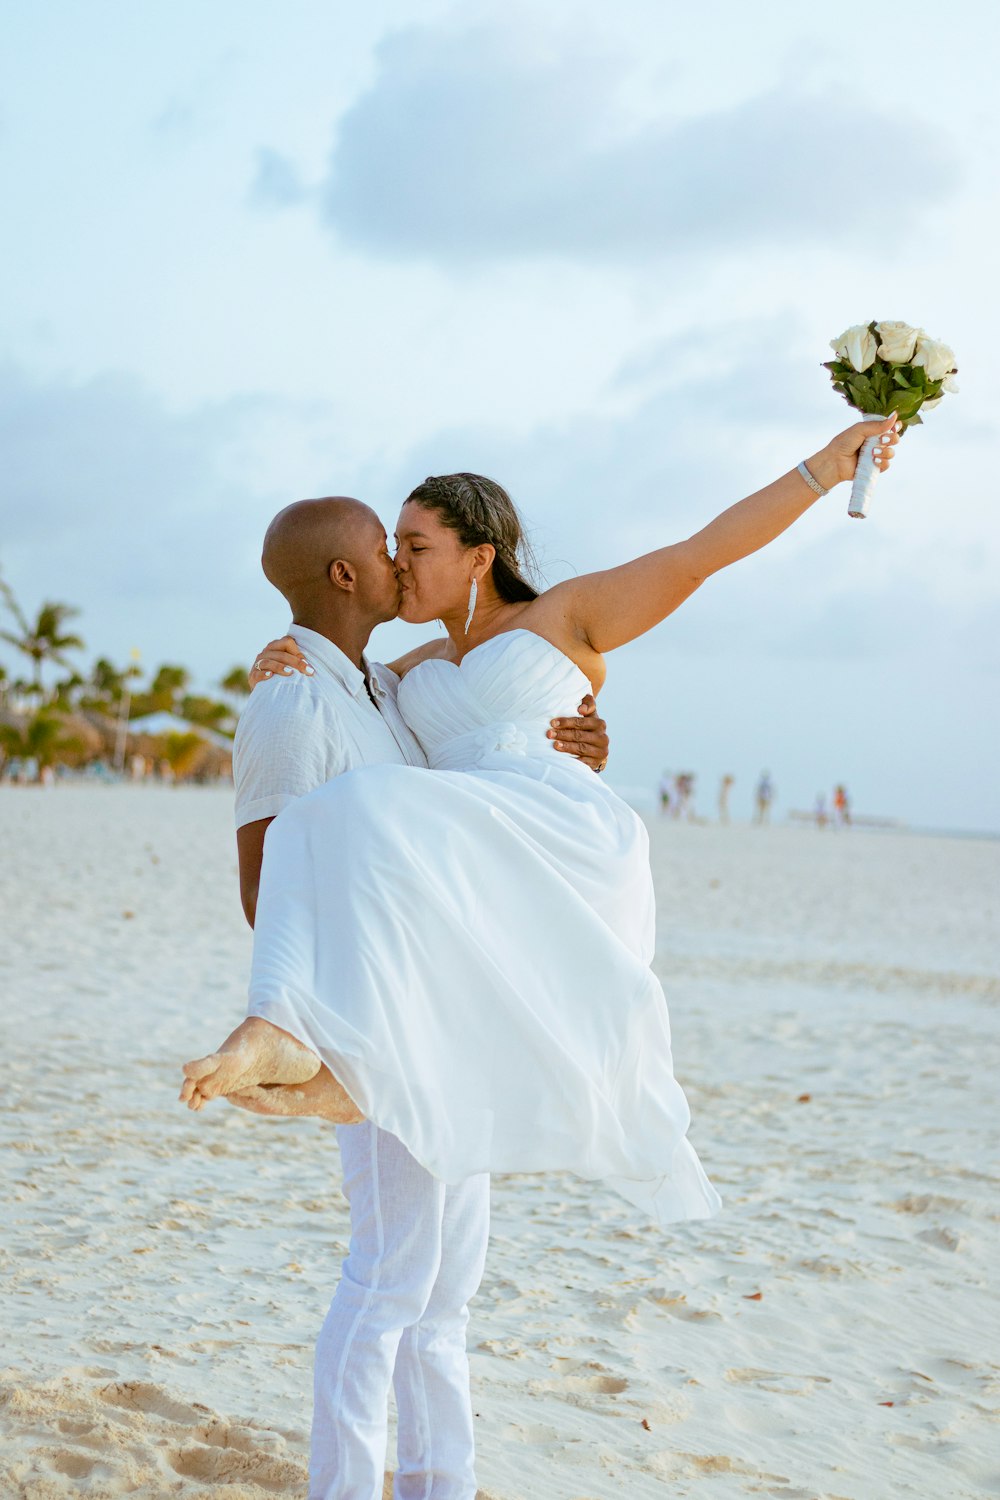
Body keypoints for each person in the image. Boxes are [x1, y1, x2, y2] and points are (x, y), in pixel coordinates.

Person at [181, 410, 901, 1227]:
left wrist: (822, 469)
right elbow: (336, 680)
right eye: (393, 549)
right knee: (332, 819)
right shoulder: (403, 671)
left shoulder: (563, 614)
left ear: (477, 558)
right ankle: (310, 1043)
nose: (399, 565)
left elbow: (699, 557)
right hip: (472, 856)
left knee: (349, 808)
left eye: (415, 548)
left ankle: (310, 1044)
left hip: (557, 837)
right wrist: (276, 657)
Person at [212, 497, 609, 1500]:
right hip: (376, 1021)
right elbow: (267, 890)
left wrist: (575, 746)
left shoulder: (376, 691)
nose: (401, 563)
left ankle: (441, 1481)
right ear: (345, 576)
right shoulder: (292, 703)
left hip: (445, 1023)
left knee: (447, 1290)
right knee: (388, 1280)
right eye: (384, 550)